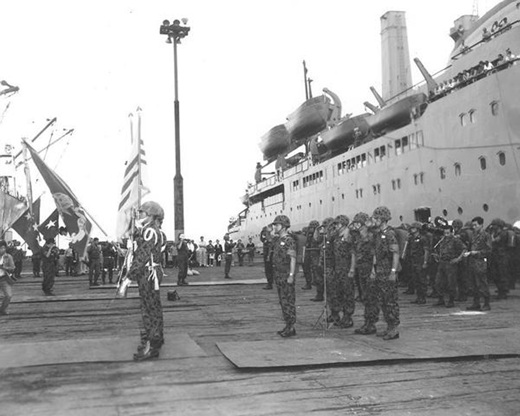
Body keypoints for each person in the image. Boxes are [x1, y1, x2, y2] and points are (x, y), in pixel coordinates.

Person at [123, 201, 166, 361]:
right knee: (154, 307)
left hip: (147, 274)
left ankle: (151, 345)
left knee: (148, 309)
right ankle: (156, 339)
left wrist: (129, 277)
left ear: (151, 216)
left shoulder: (149, 232)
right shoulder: (155, 231)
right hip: (153, 272)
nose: (140, 215)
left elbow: (142, 256)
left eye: (142, 213)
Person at [369, 206, 400, 340]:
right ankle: (389, 327)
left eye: (376, 218)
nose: (374, 220)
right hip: (380, 272)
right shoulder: (377, 234)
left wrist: (393, 271)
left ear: (382, 219)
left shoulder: (390, 234)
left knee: (390, 301)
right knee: (382, 300)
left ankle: (394, 328)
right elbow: (375, 254)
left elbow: (396, 254)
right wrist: (373, 269)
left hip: (388, 271)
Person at [271, 215, 297, 337]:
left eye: (277, 225)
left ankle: (291, 326)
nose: (274, 227)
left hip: (286, 274)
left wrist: (291, 275)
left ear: (283, 226)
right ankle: (288, 325)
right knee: (283, 301)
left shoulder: (289, 240)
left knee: (288, 301)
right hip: (279, 275)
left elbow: (292, 259)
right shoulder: (277, 240)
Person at [329, 215, 356, 328]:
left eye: (338, 224)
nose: (336, 226)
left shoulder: (349, 236)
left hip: (346, 269)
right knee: (338, 292)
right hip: (338, 269)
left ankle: (348, 317)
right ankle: (338, 315)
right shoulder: (337, 236)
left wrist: (352, 269)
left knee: (348, 293)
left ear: (344, 224)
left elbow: (353, 254)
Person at [434, 225, 466, 308]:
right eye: (445, 233)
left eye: (448, 233)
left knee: (451, 282)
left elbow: (464, 249)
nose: (446, 235)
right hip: (442, 262)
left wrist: (458, 259)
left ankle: (451, 300)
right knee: (438, 281)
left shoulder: (456, 240)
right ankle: (441, 299)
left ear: (452, 232)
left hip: (450, 263)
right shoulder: (442, 240)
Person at [465, 216, 492, 311]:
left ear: (481, 225)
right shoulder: (473, 235)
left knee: (482, 283)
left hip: (480, 262)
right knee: (473, 284)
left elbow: (488, 250)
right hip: (472, 262)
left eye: (475, 225)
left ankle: (486, 303)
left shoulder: (486, 235)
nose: (474, 227)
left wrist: (476, 253)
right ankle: (476, 303)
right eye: (473, 225)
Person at [406, 222, 430, 304]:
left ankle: (423, 297)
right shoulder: (411, 238)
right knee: (416, 280)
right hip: (413, 261)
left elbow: (426, 250)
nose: (411, 230)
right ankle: (419, 297)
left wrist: (425, 262)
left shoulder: (423, 238)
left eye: (413, 228)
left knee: (422, 280)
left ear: (417, 229)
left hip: (420, 260)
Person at [302, 221, 319, 290]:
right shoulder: (308, 234)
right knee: (306, 268)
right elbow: (307, 242)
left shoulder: (318, 234)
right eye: (311, 227)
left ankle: (316, 282)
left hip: (315, 253)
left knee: (316, 269)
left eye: (313, 227)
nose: (312, 229)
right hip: (308, 252)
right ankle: (308, 283)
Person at [0, 240, 15, 315]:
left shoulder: (8, 257)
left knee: (8, 295)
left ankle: (2, 309)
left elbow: (12, 268)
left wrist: (4, 267)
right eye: (0, 248)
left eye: (3, 248)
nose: (2, 250)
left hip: (4, 278)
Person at [260, 225, 274, 289]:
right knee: (271, 269)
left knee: (268, 270)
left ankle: (270, 283)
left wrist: (264, 231)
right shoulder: (271, 236)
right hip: (271, 254)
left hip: (268, 255)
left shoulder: (268, 236)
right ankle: (271, 282)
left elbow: (263, 239)